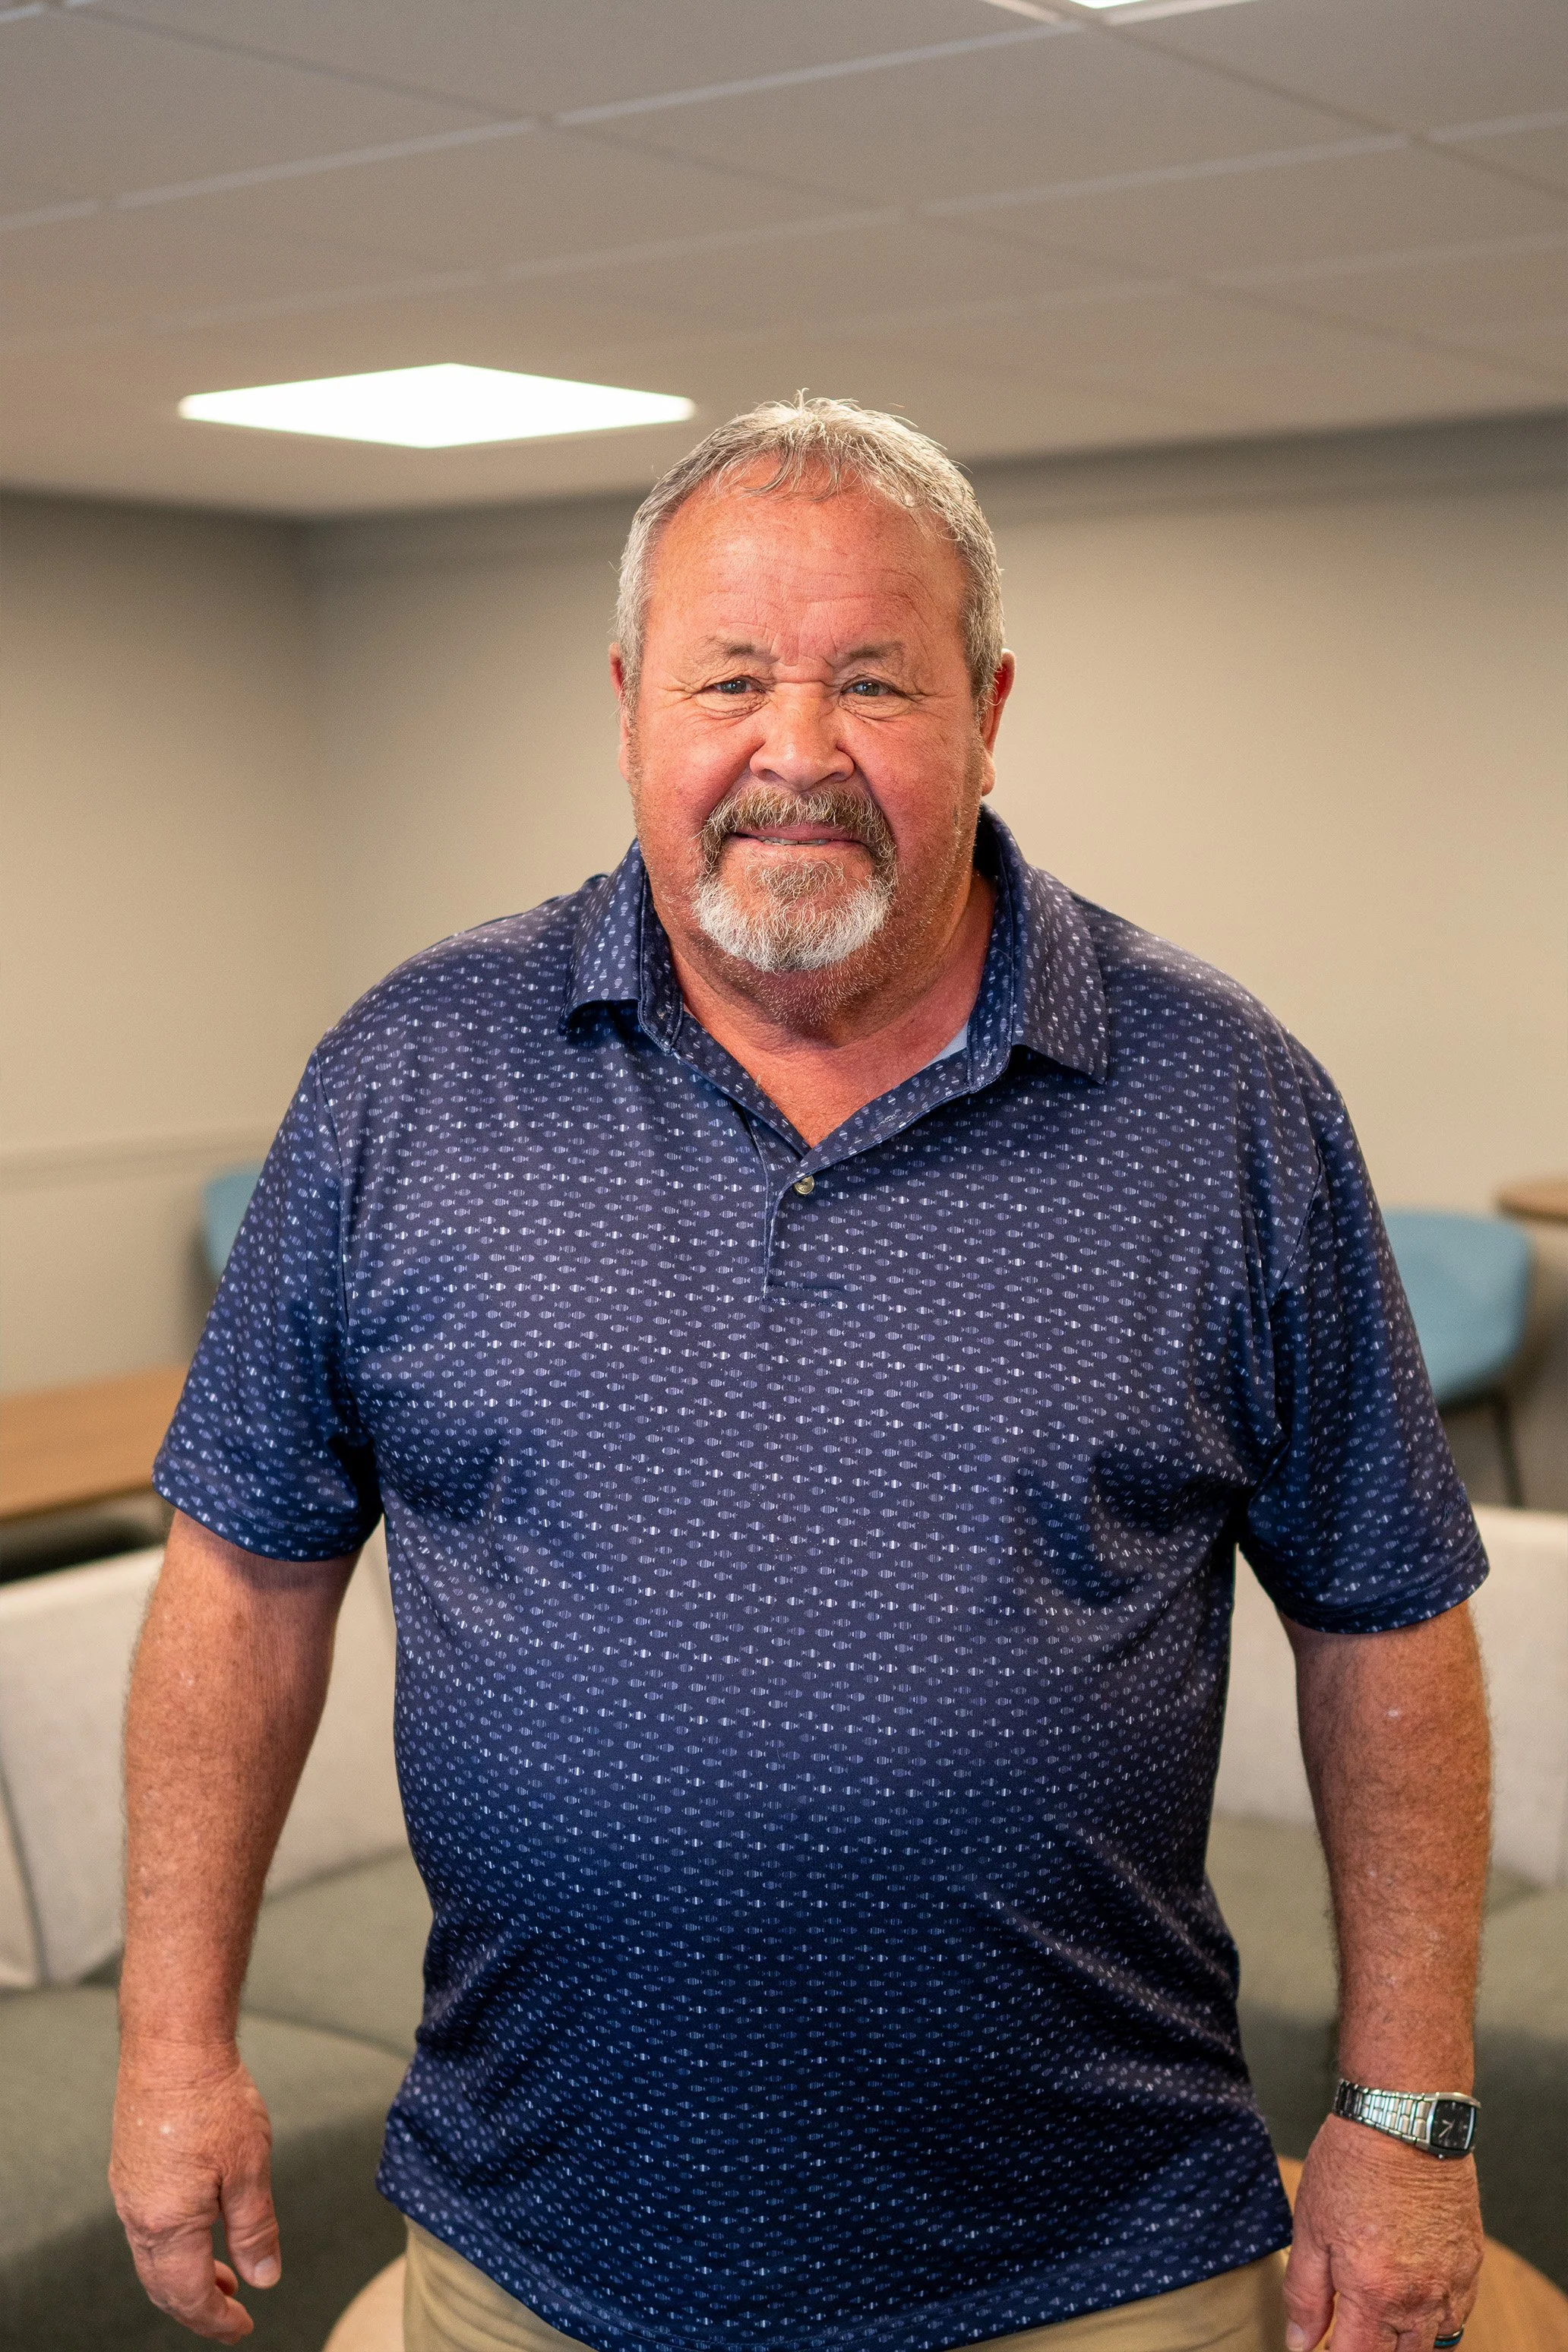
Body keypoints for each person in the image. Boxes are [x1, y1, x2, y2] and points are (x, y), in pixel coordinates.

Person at [111, 398, 1490, 2352]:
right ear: (624, 704)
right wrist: (173, 2047)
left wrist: (1406, 2109)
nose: (797, 750)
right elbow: (242, 1581)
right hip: (540, 2259)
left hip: (1093, 2270)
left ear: (993, 705)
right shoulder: (410, 1080)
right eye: (731, 677)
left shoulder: (1221, 1101)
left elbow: (1388, 1617)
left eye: (874, 682)